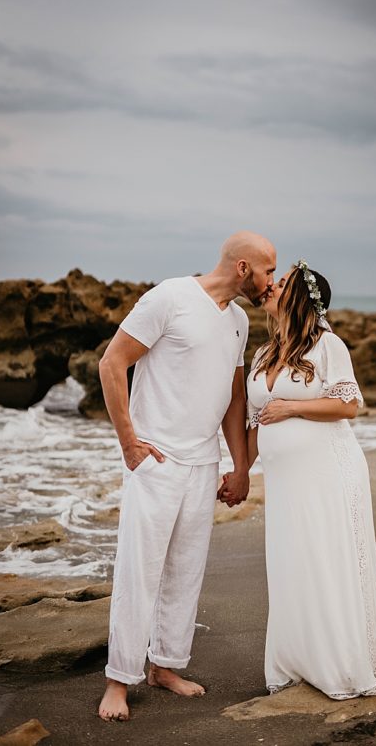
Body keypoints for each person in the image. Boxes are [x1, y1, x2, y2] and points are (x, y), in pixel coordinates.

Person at [97, 232, 276, 722]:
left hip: (201, 463)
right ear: (244, 267)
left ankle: (166, 665)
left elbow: (234, 398)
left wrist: (241, 467)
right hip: (156, 459)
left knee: (186, 570)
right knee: (140, 569)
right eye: (268, 272)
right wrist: (130, 443)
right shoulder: (169, 297)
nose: (271, 282)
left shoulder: (239, 321)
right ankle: (119, 679)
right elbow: (112, 363)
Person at [236, 260, 376, 699]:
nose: (271, 286)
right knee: (291, 563)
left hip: (329, 471)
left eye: (282, 283)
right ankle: (297, 659)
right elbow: (254, 424)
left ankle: (341, 662)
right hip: (287, 482)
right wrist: (239, 473)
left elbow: (348, 405)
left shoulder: (329, 345)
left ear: (301, 297)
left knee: (327, 560)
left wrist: (292, 407)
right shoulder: (263, 353)